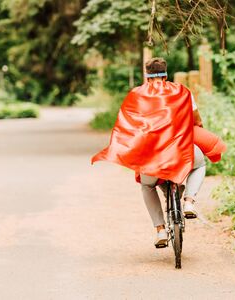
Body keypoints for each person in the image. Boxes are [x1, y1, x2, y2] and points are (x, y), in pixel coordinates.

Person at [92, 57, 226, 248]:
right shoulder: (182, 91)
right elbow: (196, 118)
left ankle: (160, 230)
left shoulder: (137, 95)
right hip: (182, 150)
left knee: (147, 186)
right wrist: (198, 130)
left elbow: (130, 125)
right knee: (200, 164)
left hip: (151, 157)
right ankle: (188, 201)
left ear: (147, 77)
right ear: (165, 75)